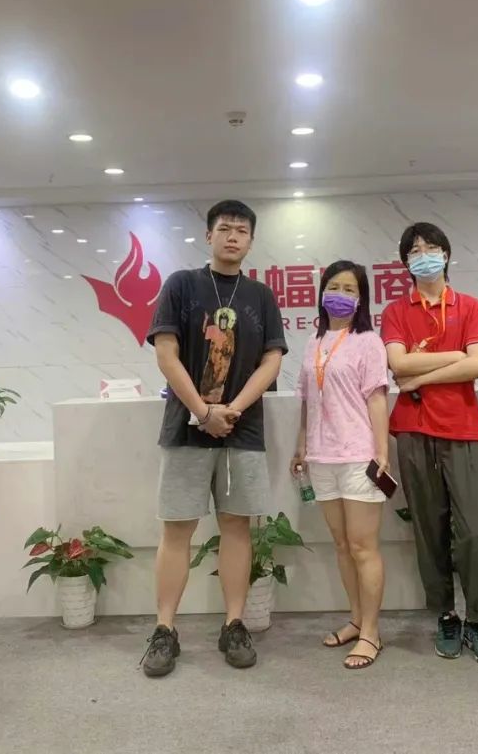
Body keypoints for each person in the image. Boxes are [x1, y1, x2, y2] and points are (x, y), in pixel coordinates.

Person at [141, 200, 287, 677]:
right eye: (224, 228)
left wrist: (233, 409)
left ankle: (234, 624)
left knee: (237, 527)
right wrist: (203, 412)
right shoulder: (182, 285)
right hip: (185, 429)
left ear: (251, 241)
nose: (232, 236)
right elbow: (167, 354)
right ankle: (164, 629)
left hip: (242, 431)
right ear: (209, 236)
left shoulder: (261, 296)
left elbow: (271, 361)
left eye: (242, 230)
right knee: (177, 528)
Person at [379, 222, 478, 665]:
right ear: (405, 262)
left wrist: (421, 375)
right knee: (429, 529)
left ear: (447, 254)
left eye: (431, 247)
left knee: (474, 532)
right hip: (414, 429)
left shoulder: (470, 306)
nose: (424, 255)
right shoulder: (396, 311)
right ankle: (447, 615)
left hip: (464, 429)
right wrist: (455, 357)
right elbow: (397, 364)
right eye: (415, 251)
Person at [291, 261, 390, 671]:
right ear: (321, 293)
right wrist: (301, 446)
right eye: (334, 286)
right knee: (342, 545)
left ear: (361, 298)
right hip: (321, 457)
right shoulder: (313, 342)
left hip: (358, 456)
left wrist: (382, 453)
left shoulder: (368, 341)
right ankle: (356, 619)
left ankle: (371, 632)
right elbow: (306, 401)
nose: (341, 294)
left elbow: (377, 399)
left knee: (364, 547)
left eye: (350, 289)